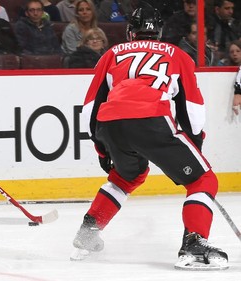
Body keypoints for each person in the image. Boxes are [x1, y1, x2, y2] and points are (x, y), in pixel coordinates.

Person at [70, 6, 229, 270]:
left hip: (110, 124)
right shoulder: (178, 55)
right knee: (203, 179)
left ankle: (88, 232)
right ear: (159, 32)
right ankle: (194, 243)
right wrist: (195, 144)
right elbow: (191, 108)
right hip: (151, 119)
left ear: (130, 31)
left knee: (127, 176)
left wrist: (101, 148)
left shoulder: (111, 54)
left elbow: (91, 106)